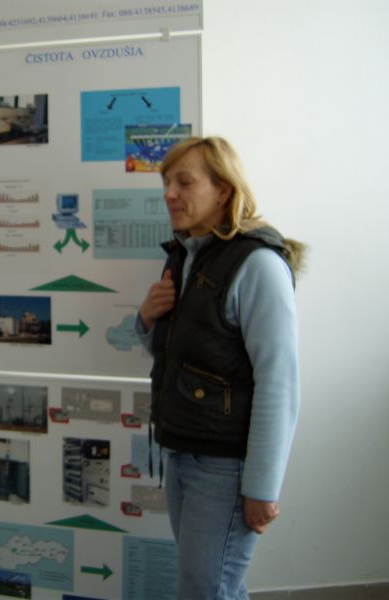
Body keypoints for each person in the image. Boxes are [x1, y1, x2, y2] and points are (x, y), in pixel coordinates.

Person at [136, 136, 305, 599]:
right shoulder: (184, 255)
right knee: (212, 588)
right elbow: (181, 358)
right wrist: (146, 319)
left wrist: (262, 487)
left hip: (224, 466)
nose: (169, 194)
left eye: (184, 182)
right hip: (182, 452)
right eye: (166, 182)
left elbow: (279, 383)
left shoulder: (258, 264)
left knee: (207, 590)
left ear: (224, 190)